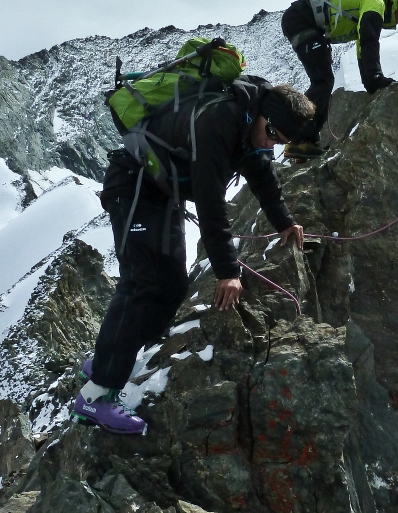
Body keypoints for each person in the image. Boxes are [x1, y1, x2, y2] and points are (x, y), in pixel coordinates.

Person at [73, 79, 316, 435]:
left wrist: (285, 222)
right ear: (261, 115)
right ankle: (95, 396)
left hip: (160, 192)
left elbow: (263, 176)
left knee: (171, 287)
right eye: (272, 134)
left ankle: (108, 360)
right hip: (134, 186)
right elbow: (210, 201)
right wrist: (227, 270)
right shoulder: (219, 122)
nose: (272, 144)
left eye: (281, 142)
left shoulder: (254, 126)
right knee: (142, 285)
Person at [281, 0, 398, 154]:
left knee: (323, 81)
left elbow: (362, 42)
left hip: (304, 21)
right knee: (322, 81)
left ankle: (304, 142)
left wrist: (370, 81)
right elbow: (369, 39)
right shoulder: (375, 0)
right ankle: (297, 136)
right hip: (301, 20)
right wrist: (375, 78)